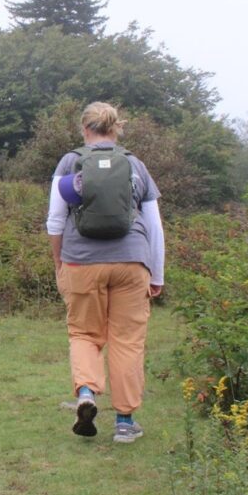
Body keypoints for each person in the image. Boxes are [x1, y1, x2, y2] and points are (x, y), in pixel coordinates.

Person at [46, 102, 165, 443]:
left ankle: (86, 392)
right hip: (132, 263)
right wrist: (156, 273)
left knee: (84, 334)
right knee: (127, 340)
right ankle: (125, 423)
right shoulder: (135, 165)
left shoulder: (71, 162)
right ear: (116, 128)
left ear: (84, 129)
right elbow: (154, 226)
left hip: (80, 262)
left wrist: (59, 263)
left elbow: (55, 219)